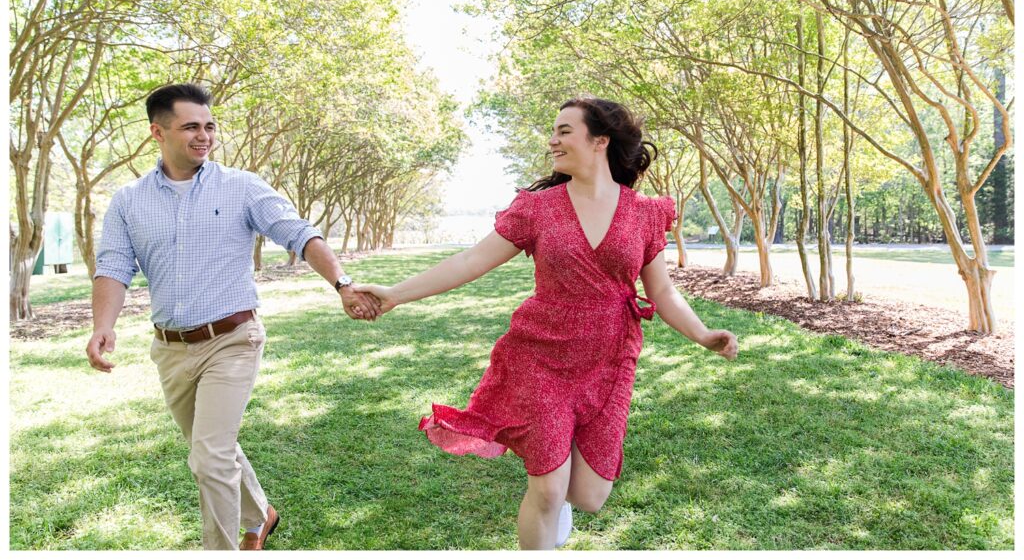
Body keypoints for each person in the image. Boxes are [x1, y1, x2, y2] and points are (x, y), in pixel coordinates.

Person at [352, 97, 739, 550]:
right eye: (552, 132)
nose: (552, 141)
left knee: (590, 495)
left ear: (600, 141)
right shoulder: (538, 208)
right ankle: (546, 499)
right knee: (549, 489)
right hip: (541, 356)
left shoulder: (643, 213)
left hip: (610, 359)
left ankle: (556, 490)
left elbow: (663, 292)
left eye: (564, 131)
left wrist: (703, 335)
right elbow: (472, 260)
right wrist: (396, 294)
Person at [85, 83, 381, 550]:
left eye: (209, 126)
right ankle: (261, 513)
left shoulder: (240, 186)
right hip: (170, 347)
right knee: (213, 450)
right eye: (190, 127)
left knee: (209, 456)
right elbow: (114, 267)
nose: (204, 136)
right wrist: (104, 325)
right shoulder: (128, 201)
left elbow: (298, 234)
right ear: (156, 133)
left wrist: (342, 284)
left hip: (233, 338)